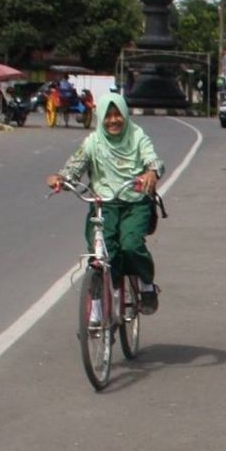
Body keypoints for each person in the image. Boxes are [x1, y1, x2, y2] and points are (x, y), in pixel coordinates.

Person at [47, 92, 166, 314]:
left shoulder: (138, 137)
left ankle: (147, 284)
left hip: (134, 202)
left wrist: (151, 172)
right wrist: (61, 179)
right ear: (101, 118)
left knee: (130, 245)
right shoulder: (93, 142)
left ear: (124, 115)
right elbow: (75, 166)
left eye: (117, 114)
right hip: (104, 204)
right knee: (100, 253)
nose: (113, 120)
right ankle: (98, 309)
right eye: (108, 116)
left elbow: (154, 160)